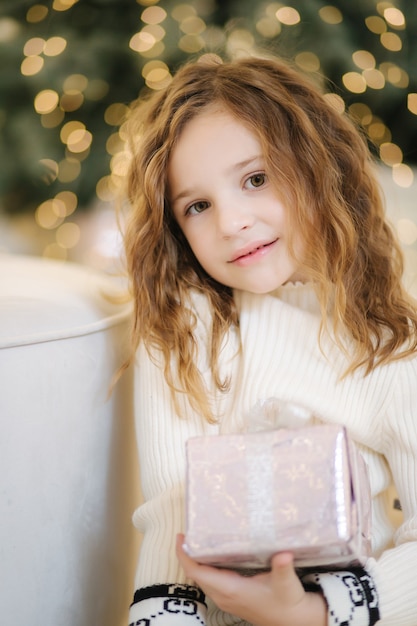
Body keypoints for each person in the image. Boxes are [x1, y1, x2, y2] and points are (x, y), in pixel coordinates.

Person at [122, 52, 417, 626]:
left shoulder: (391, 344)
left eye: (256, 179)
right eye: (198, 206)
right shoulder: (184, 326)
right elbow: (170, 511)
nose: (230, 221)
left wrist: (312, 613)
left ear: (318, 168)